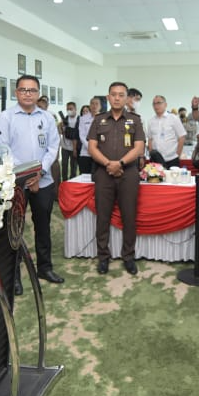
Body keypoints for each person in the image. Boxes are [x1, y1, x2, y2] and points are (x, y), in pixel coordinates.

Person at [0, 75, 64, 284]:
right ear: (16, 92)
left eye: (32, 90)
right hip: (15, 183)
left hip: (43, 181)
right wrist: (26, 174)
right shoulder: (6, 117)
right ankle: (13, 276)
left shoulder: (47, 117)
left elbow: (53, 147)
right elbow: (3, 149)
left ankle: (45, 268)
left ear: (38, 93)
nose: (28, 94)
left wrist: (39, 172)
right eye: (23, 90)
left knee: (43, 226)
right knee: (14, 229)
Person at [87, 82, 146, 276]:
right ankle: (103, 257)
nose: (117, 98)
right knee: (102, 217)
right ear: (108, 97)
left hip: (128, 173)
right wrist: (109, 164)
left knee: (129, 216)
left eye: (121, 95)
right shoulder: (99, 120)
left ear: (127, 98)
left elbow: (139, 148)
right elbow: (92, 148)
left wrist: (119, 163)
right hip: (104, 173)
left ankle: (128, 256)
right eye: (114, 94)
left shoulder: (135, 120)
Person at [147, 95, 186, 169]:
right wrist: (151, 153)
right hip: (156, 160)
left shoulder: (173, 118)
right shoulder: (151, 121)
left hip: (172, 159)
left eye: (159, 103)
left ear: (165, 104)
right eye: (154, 104)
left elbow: (182, 137)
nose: (156, 106)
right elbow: (150, 139)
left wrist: (178, 154)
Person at [78, 97, 101, 174]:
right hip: (86, 153)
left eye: (96, 104)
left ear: (100, 106)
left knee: (98, 176)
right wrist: (91, 147)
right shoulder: (83, 118)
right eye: (92, 104)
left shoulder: (104, 118)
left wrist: (97, 149)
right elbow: (82, 136)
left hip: (100, 153)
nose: (94, 106)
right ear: (90, 105)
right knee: (85, 176)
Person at [59, 101, 79, 181]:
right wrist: (61, 126)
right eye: (67, 109)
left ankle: (72, 181)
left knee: (73, 166)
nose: (69, 111)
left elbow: (78, 135)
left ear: (75, 109)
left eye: (71, 109)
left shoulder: (79, 119)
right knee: (64, 165)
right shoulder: (65, 119)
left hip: (74, 148)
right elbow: (61, 132)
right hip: (64, 147)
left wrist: (75, 149)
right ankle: (64, 181)